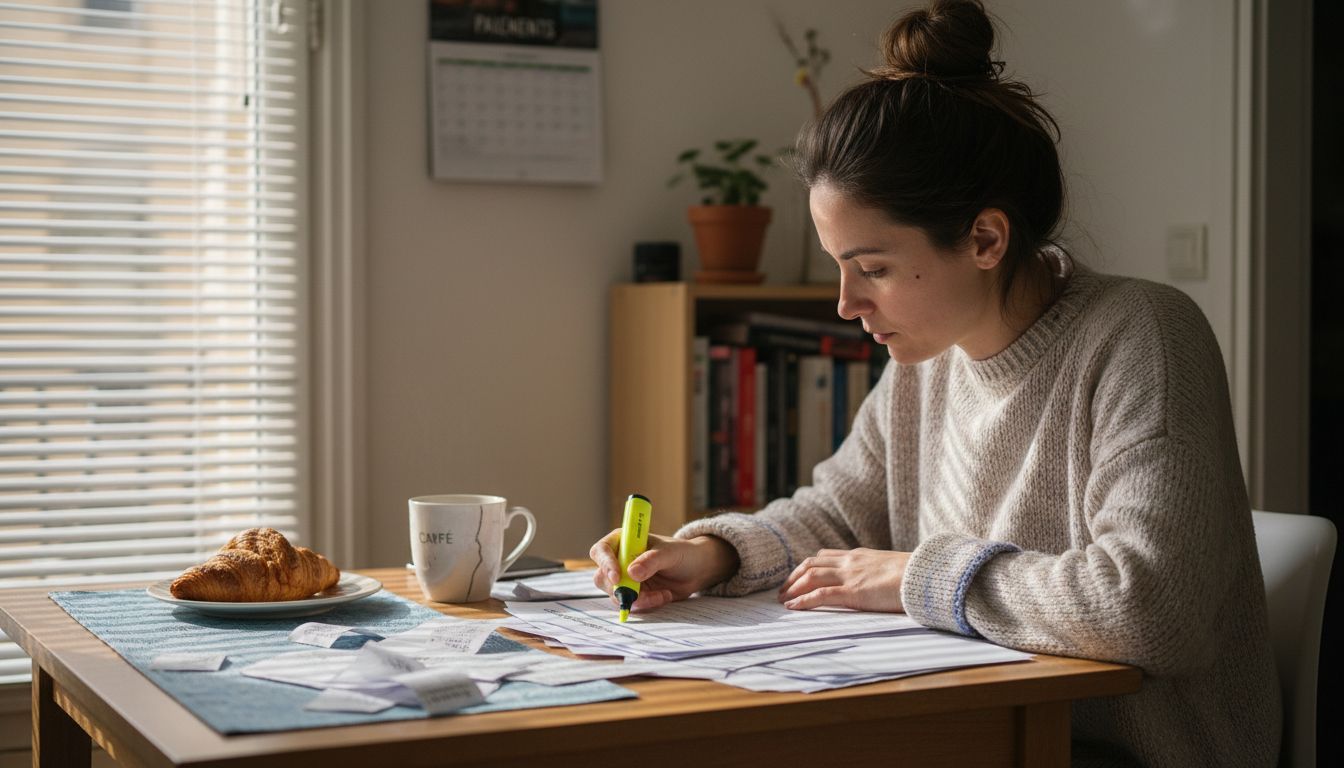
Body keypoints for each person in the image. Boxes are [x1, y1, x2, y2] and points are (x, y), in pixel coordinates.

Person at [591, 1, 1281, 765]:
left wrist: (917, 576)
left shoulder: (1142, 335)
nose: (848, 305)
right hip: (974, 732)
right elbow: (843, 515)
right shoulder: (929, 356)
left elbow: (1153, 609)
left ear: (986, 238)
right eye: (840, 268)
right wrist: (714, 555)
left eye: (873, 269)